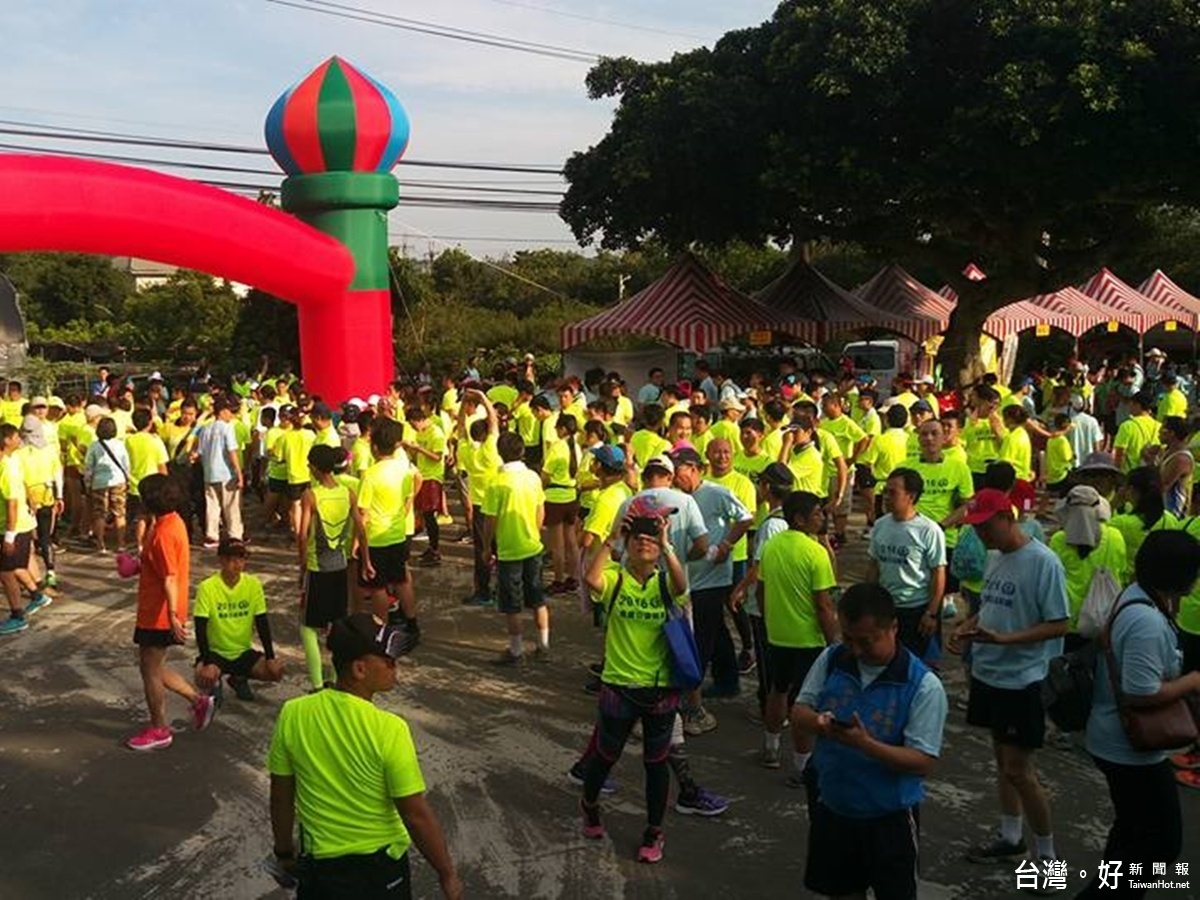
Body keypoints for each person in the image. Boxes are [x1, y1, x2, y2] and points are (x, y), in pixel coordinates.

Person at [267, 613, 461, 899]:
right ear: (359, 668)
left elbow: (281, 795)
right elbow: (415, 815)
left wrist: (284, 852)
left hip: (321, 871)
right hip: (379, 872)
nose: (395, 668)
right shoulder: (390, 729)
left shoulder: (293, 713)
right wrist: (447, 872)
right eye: (388, 661)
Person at [793, 583, 948, 900]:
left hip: (888, 819)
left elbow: (922, 762)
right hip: (834, 807)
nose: (857, 650)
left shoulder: (922, 686)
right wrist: (822, 723)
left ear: (893, 628)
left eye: (866, 641)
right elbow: (799, 712)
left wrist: (865, 744)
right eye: (849, 639)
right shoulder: (834, 659)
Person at [1076, 531, 1200, 898]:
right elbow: (1140, 692)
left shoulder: (1138, 597)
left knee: (1132, 830)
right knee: (1160, 844)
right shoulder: (1145, 620)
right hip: (1130, 746)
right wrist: (1193, 681)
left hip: (1115, 738)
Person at [951, 488, 1069, 867]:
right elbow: (990, 607)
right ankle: (1010, 835)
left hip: (1023, 679)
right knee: (1002, 760)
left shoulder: (1043, 562)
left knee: (1020, 770)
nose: (982, 535)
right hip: (990, 673)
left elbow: (1058, 623)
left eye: (987, 526)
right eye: (977, 528)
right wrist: (968, 627)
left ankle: (1049, 860)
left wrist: (1005, 639)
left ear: (1008, 518)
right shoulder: (995, 557)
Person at [579, 503, 689, 863]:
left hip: (660, 691)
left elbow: (682, 584)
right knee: (605, 757)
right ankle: (590, 804)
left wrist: (667, 543)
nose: (644, 544)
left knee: (656, 763)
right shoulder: (616, 577)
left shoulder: (664, 584)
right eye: (637, 539)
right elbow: (591, 580)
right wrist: (612, 538)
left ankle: (654, 832)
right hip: (618, 686)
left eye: (650, 540)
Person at [127, 473, 216, 750]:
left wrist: (174, 618)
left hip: (160, 612)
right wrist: (139, 565)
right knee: (150, 665)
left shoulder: (165, 531)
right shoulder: (170, 521)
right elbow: (160, 566)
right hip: (156, 608)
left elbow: (169, 576)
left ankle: (159, 728)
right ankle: (198, 701)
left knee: (150, 670)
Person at [757, 491, 838, 778]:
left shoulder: (771, 546)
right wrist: (835, 643)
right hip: (808, 640)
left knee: (777, 691)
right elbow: (824, 604)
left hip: (778, 636)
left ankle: (770, 747)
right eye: (817, 512)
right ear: (800, 519)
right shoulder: (815, 552)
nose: (822, 516)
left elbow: (761, 591)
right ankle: (802, 766)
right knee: (804, 705)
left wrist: (772, 623)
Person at [670, 445, 753, 699]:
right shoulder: (679, 497)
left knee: (703, 634)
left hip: (713, 576)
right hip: (691, 575)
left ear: (693, 469)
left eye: (677, 471)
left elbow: (745, 518)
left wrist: (726, 545)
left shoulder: (716, 493)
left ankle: (689, 691)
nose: (674, 477)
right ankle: (727, 681)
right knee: (716, 630)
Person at [298, 445, 372, 691]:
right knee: (337, 626)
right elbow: (361, 529)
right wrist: (367, 560)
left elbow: (302, 534)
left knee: (308, 627)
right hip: (340, 566)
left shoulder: (311, 495)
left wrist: (302, 566)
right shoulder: (348, 492)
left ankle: (317, 683)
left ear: (317, 468)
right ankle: (335, 678)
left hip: (317, 568)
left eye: (310, 465)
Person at [482, 432, 550, 665]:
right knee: (538, 598)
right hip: (533, 545)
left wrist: (485, 545)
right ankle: (543, 645)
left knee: (512, 604)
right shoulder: (533, 477)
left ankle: (516, 651)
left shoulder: (496, 483)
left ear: (500, 454)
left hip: (509, 549)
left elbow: (490, 520)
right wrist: (535, 530)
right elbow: (541, 510)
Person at [866, 468, 947, 659]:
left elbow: (938, 573)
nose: (886, 497)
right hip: (886, 609)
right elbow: (873, 566)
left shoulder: (929, 531)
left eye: (892, 492)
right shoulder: (880, 525)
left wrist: (932, 613)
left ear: (911, 496)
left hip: (916, 611)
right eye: (885, 491)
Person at [193, 537, 284, 702]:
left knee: (276, 671)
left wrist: (270, 657)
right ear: (221, 560)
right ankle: (215, 682)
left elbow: (262, 622)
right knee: (202, 676)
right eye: (231, 559)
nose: (237, 564)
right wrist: (206, 661)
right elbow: (200, 628)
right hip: (216, 653)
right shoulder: (207, 587)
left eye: (241, 558)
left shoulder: (253, 584)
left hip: (243, 652)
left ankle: (238, 678)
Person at [1109, 466, 1179, 583]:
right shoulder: (1170, 519)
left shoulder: (1121, 523)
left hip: (1128, 585)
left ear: (1131, 490)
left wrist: (1113, 503)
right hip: (1159, 583)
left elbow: (1101, 531)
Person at [196, 396, 244, 549]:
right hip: (226, 473)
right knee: (231, 506)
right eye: (231, 411)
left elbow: (200, 452)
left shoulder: (205, 429)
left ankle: (212, 535)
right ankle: (235, 535)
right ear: (222, 411)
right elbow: (231, 451)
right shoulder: (226, 428)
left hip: (209, 473)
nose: (232, 415)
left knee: (212, 506)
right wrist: (238, 471)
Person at [542, 413, 582, 595]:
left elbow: (546, 475)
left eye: (558, 428)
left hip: (555, 498)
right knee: (572, 541)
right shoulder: (577, 447)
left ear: (563, 429)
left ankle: (558, 580)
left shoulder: (557, 447)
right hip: (572, 496)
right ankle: (573, 577)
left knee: (557, 545)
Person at [405, 406, 447, 567]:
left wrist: (419, 449)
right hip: (422, 475)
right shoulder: (420, 432)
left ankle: (435, 550)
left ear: (420, 420)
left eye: (413, 424)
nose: (414, 428)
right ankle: (431, 547)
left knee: (430, 515)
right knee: (425, 515)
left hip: (433, 477)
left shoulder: (436, 433)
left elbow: (437, 457)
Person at [83, 415, 131, 554]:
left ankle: (100, 544)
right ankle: (121, 544)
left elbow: (89, 466)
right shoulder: (120, 444)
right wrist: (127, 479)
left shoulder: (94, 446)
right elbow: (126, 464)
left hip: (99, 482)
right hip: (118, 480)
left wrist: (88, 482)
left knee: (99, 513)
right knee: (119, 512)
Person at [1113, 391, 1161, 474]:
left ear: (1138, 405)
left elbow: (1120, 454)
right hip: (1152, 474)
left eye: (1131, 404)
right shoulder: (1159, 426)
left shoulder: (1127, 426)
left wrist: (1117, 473)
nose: (1129, 406)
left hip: (1130, 474)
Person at [1158, 416, 1194, 518]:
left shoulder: (1181, 459)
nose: (1159, 432)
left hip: (1175, 515)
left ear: (1172, 433)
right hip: (1164, 512)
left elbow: (1162, 486)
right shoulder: (1167, 451)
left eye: (1162, 429)